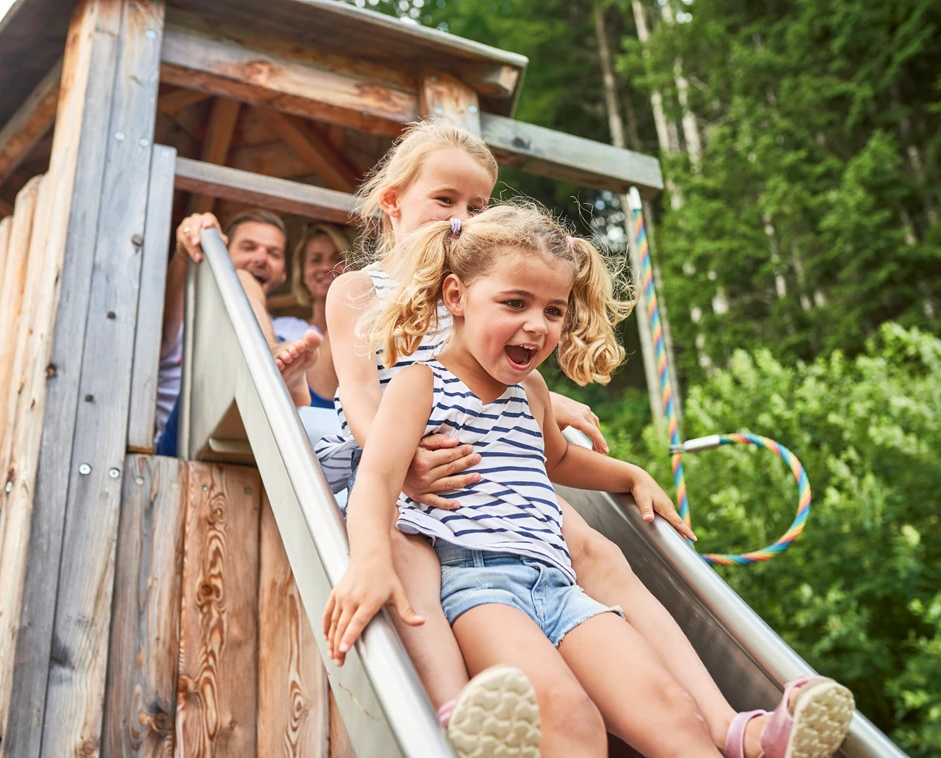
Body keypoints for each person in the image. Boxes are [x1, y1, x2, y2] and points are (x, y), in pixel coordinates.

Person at [317, 119, 854, 758]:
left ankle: (728, 726)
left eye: (477, 205)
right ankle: (453, 716)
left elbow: (541, 431)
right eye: (445, 200)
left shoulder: (503, 312)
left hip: (520, 513)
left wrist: (619, 465)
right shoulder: (369, 300)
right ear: (393, 202)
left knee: (599, 553)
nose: (460, 216)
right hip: (435, 495)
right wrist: (402, 462)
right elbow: (361, 396)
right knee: (410, 553)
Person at [155, 208, 321, 456]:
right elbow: (166, 317)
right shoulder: (186, 315)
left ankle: (277, 375)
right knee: (240, 279)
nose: (261, 258)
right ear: (222, 255)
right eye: (248, 247)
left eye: (273, 253)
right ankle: (268, 362)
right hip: (182, 447)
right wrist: (186, 247)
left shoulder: (294, 329)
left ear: (283, 273)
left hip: (271, 446)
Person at [288, 222, 350, 409]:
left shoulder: (366, 333)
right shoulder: (285, 328)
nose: (326, 267)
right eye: (316, 260)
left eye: (337, 259)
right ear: (303, 274)